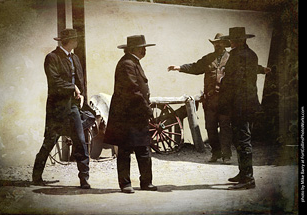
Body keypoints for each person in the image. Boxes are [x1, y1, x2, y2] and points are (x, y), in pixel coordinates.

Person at [32, 29, 90, 189]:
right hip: (57, 108)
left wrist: (81, 95)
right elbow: (54, 82)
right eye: (75, 39)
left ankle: (84, 179)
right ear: (70, 41)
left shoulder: (75, 58)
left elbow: (80, 80)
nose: (77, 42)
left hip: (73, 106)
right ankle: (36, 177)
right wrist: (73, 88)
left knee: (80, 141)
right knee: (50, 141)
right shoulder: (52, 58)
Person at [104, 35, 157, 194]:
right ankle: (125, 184)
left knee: (143, 149)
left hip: (137, 115)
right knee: (125, 150)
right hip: (126, 116)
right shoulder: (127, 64)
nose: (145, 50)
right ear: (135, 49)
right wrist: (147, 109)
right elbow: (133, 90)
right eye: (143, 47)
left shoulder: (133, 62)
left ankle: (146, 182)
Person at [168, 33, 233, 164]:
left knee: (225, 128)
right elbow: (195, 67)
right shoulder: (208, 58)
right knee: (210, 127)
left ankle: (227, 156)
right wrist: (179, 68)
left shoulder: (232, 59)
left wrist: (261, 70)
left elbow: (247, 70)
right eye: (215, 43)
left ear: (225, 44)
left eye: (219, 42)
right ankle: (216, 154)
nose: (217, 45)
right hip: (210, 101)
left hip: (225, 101)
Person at [218, 27, 259, 190]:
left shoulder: (238, 55)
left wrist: (221, 80)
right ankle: (243, 173)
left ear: (241, 40)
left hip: (240, 104)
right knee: (240, 139)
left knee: (242, 139)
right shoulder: (251, 54)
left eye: (233, 39)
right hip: (245, 103)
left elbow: (235, 81)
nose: (231, 42)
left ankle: (248, 178)